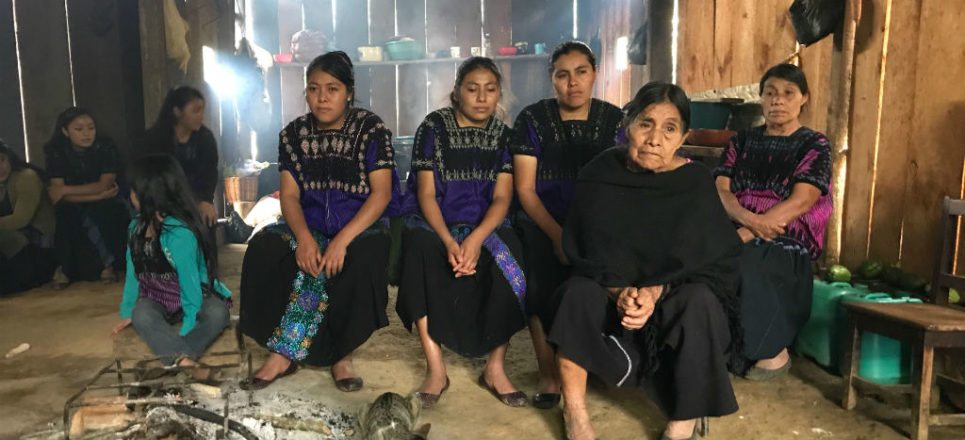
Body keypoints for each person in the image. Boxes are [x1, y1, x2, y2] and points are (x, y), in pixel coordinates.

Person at [549, 82, 744, 440]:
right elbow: (585, 251)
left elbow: (711, 261)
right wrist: (619, 291)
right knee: (575, 294)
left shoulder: (694, 182)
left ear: (683, 138)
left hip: (671, 298)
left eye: (670, 129)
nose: (655, 139)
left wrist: (655, 291)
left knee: (700, 300)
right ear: (628, 125)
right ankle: (574, 410)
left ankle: (684, 419)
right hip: (612, 292)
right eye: (646, 124)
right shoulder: (600, 174)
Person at [239, 51, 400, 392]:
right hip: (308, 225)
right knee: (264, 249)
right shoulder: (293, 135)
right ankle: (281, 354)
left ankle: (342, 355)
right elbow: (289, 196)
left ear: (349, 92)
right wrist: (304, 238)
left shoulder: (371, 130)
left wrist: (341, 241)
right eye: (313, 89)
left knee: (363, 259)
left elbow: (381, 194)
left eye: (332, 89)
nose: (322, 97)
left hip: (360, 227)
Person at [397, 57, 527, 409]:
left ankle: (495, 368)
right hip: (435, 222)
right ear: (457, 92)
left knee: (512, 252)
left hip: (485, 225)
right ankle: (436, 370)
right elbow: (426, 194)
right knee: (418, 248)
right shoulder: (433, 127)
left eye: (490, 89)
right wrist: (447, 240)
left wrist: (475, 239)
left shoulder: (504, 136)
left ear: (498, 94)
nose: (481, 98)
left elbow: (502, 199)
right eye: (472, 89)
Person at [511, 41, 624, 409]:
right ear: (552, 79)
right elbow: (525, 190)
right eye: (563, 75)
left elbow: (623, 182)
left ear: (595, 74)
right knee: (538, 276)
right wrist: (558, 236)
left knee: (601, 279)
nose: (572, 82)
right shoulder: (532, 120)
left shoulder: (615, 120)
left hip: (598, 223)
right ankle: (548, 372)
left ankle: (590, 360)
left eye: (581, 72)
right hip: (543, 220)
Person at [714, 63, 832, 380]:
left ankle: (772, 352)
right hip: (739, 227)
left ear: (804, 98)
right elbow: (721, 190)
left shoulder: (814, 145)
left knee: (746, 262)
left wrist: (746, 234)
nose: (777, 100)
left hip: (785, 238)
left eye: (788, 93)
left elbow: (802, 200)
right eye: (770, 93)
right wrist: (748, 221)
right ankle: (718, 349)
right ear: (761, 97)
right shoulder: (741, 141)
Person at [111, 154, 231, 382]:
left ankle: (169, 361)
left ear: (150, 194)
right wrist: (128, 311)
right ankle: (187, 364)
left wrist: (187, 328)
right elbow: (133, 273)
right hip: (157, 297)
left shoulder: (179, 233)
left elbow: (190, 285)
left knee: (218, 313)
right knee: (141, 313)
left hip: (195, 295)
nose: (130, 195)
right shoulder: (134, 228)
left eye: (134, 190)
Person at [44, 107, 130, 287]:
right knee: (66, 214)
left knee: (105, 211)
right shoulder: (55, 150)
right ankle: (65, 268)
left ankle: (108, 266)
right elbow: (57, 195)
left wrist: (67, 190)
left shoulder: (105, 146)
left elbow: (105, 184)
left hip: (109, 198)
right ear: (65, 131)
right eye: (79, 129)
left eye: (91, 128)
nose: (86, 133)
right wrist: (94, 196)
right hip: (79, 201)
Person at [143, 86, 220, 227]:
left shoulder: (205, 138)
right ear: (177, 112)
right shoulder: (155, 139)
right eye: (195, 111)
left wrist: (204, 200)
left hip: (196, 201)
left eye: (202, 110)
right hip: (163, 202)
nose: (201, 116)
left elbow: (210, 173)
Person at [0, 140, 56, 295]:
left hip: (36, 252)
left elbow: (20, 219)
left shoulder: (26, 177)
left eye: (2, 160)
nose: (0, 168)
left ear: (9, 157)